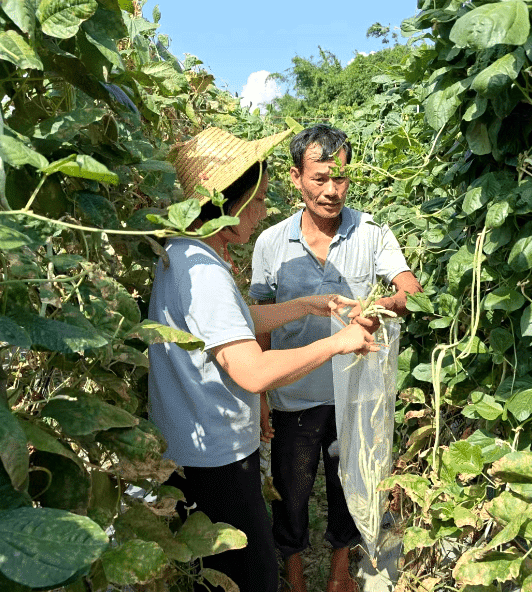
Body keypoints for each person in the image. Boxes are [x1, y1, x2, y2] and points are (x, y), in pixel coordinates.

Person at [147, 127, 379, 592]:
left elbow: (229, 322)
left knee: (214, 573)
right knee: (250, 578)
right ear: (227, 205)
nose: (263, 211)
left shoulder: (185, 254)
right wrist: (336, 343)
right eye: (256, 200)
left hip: (193, 448)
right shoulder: (204, 272)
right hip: (217, 461)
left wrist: (307, 305)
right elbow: (251, 372)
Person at [250, 124, 422, 592]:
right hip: (294, 395)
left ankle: (341, 570)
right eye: (320, 178)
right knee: (291, 491)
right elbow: (262, 320)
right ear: (296, 178)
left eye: (340, 178)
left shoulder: (371, 232)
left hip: (357, 396)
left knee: (350, 486)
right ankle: (295, 572)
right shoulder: (270, 244)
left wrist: (380, 305)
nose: (331, 190)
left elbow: (409, 289)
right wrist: (262, 396)